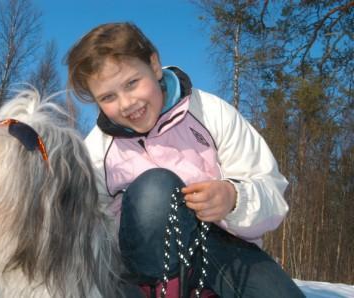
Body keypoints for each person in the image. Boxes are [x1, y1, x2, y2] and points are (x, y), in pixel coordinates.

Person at [65, 22, 304, 298]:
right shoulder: (97, 149)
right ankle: (159, 290)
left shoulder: (209, 112)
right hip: (138, 267)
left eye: (132, 83)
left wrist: (233, 198)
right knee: (155, 190)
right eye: (108, 96)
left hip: (218, 248)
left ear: (154, 66)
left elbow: (271, 190)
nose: (127, 103)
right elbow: (84, 223)